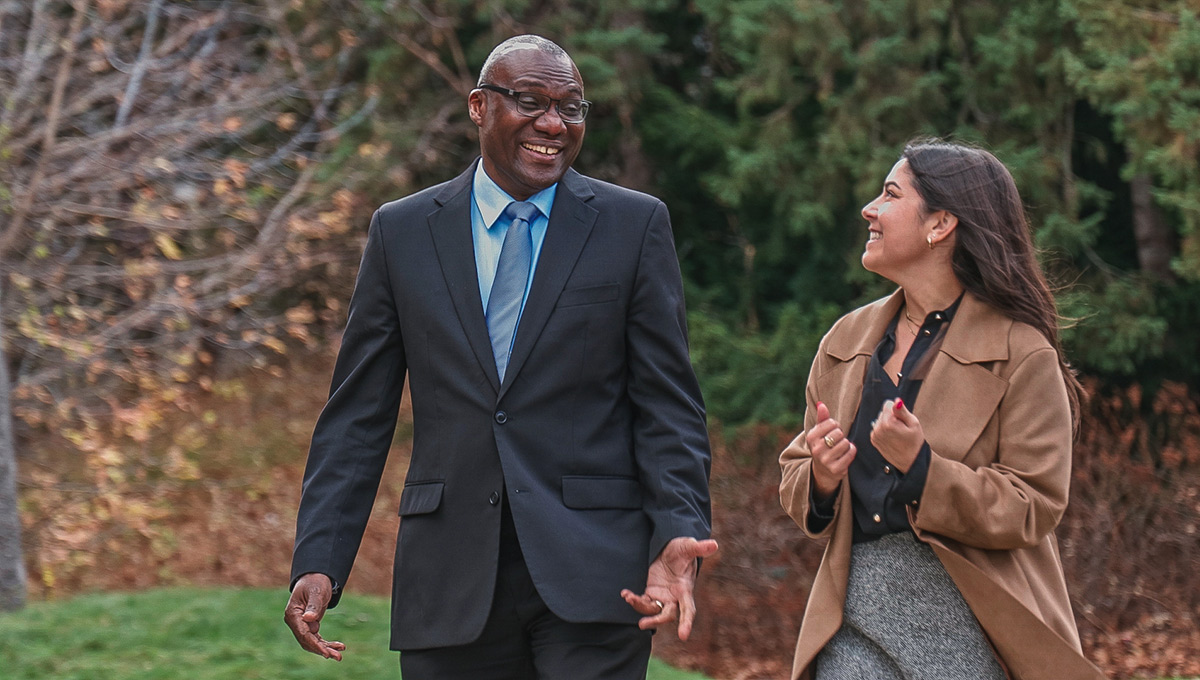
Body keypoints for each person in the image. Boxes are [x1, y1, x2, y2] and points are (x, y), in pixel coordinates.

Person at [283, 34, 717, 680]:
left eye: (571, 107)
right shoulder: (402, 234)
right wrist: (320, 557)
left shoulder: (634, 228)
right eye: (530, 101)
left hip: (594, 575)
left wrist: (677, 527)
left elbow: (668, 405)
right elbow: (357, 415)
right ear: (479, 107)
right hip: (448, 580)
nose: (553, 123)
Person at [778, 139, 1104, 680]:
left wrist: (923, 469)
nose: (869, 209)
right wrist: (821, 475)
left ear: (941, 224)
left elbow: (1034, 504)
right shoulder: (846, 339)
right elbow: (794, 470)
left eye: (889, 195)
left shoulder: (1022, 353)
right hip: (850, 608)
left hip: (975, 617)